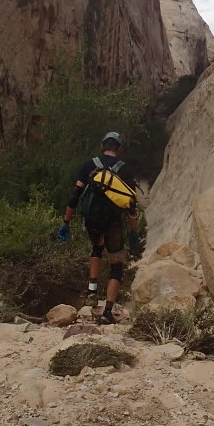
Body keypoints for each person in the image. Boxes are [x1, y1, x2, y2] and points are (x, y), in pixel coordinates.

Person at [59, 131, 140, 325]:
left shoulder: (89, 165)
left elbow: (75, 195)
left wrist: (66, 223)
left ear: (103, 145)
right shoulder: (126, 170)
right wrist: (134, 232)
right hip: (114, 222)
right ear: (119, 148)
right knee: (116, 264)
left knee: (97, 247)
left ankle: (92, 291)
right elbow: (131, 206)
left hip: (92, 221)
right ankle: (107, 312)